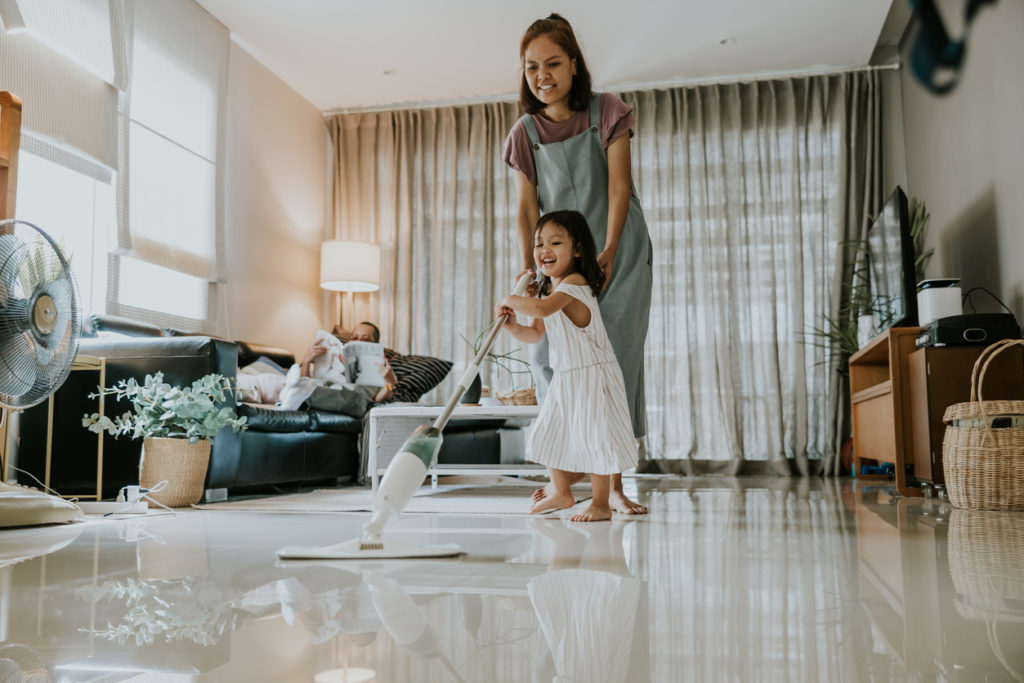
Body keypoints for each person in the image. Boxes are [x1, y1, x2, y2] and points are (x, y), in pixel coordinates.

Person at [503, 13, 652, 514]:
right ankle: (564, 479)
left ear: (573, 65)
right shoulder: (524, 132)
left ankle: (614, 485)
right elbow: (527, 208)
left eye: (552, 63)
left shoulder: (607, 111)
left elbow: (617, 186)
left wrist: (608, 250)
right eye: (531, 67)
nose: (542, 75)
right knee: (551, 361)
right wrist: (531, 268)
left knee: (618, 361)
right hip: (560, 260)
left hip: (619, 250)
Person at [497, 211, 637, 522]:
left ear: (576, 250)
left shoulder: (574, 284)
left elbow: (543, 308)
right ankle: (561, 491)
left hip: (592, 372)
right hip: (566, 376)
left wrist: (510, 297)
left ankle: (600, 503)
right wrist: (511, 325)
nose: (544, 250)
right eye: (539, 244)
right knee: (547, 432)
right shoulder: (550, 291)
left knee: (595, 436)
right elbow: (534, 333)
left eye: (555, 242)